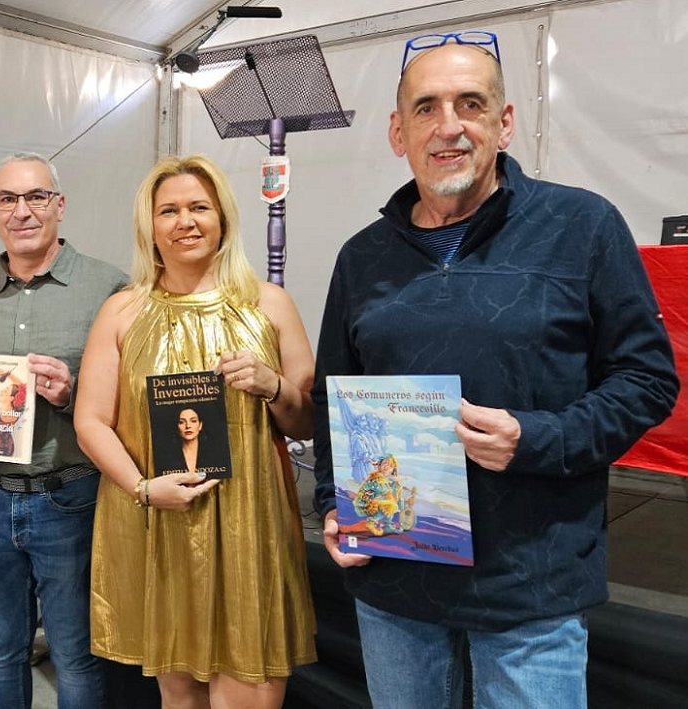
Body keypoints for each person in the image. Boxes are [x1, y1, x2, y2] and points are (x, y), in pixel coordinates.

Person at [311, 31, 679, 709]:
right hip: (396, 578)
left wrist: (535, 438)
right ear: (398, 132)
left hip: (530, 587)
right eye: (426, 107)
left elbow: (648, 380)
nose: (448, 125)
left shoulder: (582, 226)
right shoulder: (361, 257)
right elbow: (333, 393)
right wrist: (335, 501)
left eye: (470, 103)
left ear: (504, 123)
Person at [75, 154, 318, 708]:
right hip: (158, 522)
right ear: (149, 226)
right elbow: (91, 421)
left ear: (223, 219)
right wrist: (142, 488)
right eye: (169, 211)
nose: (185, 221)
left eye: (199, 207)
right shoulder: (121, 312)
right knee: (179, 695)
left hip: (250, 525)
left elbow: (308, 419)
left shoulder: (269, 305)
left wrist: (273, 386)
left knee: (249, 688)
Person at [0, 152, 128, 709]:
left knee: (76, 653)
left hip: (71, 496)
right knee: (2, 652)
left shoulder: (110, 289)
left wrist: (72, 395)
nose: (22, 211)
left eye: (36, 196)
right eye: (7, 199)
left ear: (59, 205)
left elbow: (135, 403)